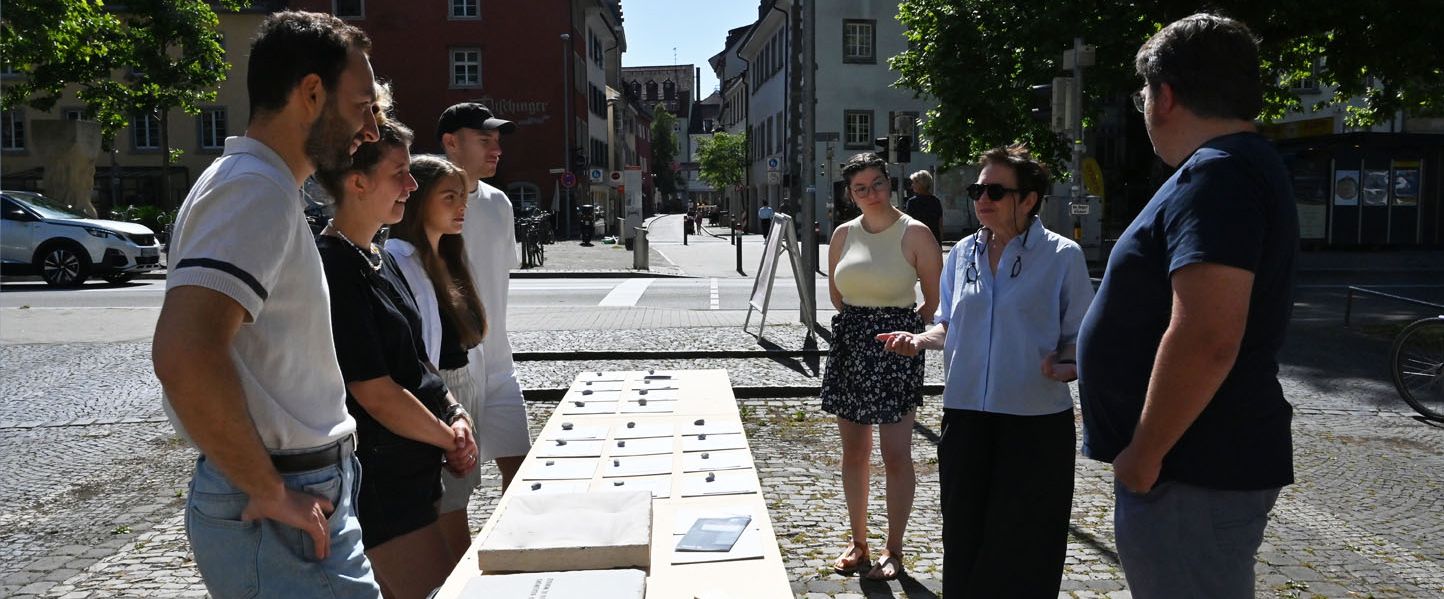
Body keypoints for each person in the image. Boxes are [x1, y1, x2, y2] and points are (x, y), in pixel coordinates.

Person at [152, 11, 382, 597]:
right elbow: (184, 351)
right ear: (311, 93)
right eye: (361, 106)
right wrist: (268, 489)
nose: (372, 129)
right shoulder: (252, 189)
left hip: (301, 487)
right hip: (282, 497)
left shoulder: (259, 184)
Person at [1077, 14, 1298, 598]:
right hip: (1192, 468)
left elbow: (1208, 336)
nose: (1142, 105)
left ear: (1165, 95)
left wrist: (1144, 455)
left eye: (1143, 92)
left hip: (1189, 470)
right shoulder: (1230, 168)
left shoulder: (1218, 175)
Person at [878, 145, 1093, 596]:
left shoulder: (1061, 255)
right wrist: (918, 341)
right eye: (979, 189)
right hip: (966, 419)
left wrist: (1071, 364)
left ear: (1029, 199)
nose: (982, 199)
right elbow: (949, 327)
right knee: (964, 535)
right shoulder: (961, 256)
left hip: (1033, 423)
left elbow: (1081, 337)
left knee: (1026, 542)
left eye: (996, 190)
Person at [314, 119, 478, 597]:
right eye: (399, 173)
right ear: (357, 182)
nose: (411, 186)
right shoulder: (335, 267)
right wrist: (449, 436)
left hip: (411, 472)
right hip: (383, 482)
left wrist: (454, 411)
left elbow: (418, 362)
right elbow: (375, 390)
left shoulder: (375, 257)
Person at [820, 152, 942, 581]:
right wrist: (862, 318)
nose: (870, 193)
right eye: (860, 188)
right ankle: (858, 543)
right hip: (852, 342)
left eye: (876, 184)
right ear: (850, 195)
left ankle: (894, 549)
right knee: (854, 452)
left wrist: (903, 329)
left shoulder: (916, 234)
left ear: (890, 184)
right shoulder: (841, 234)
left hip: (896, 348)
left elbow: (934, 300)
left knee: (895, 454)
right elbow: (837, 294)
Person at [384, 153, 490, 565]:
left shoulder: (447, 256)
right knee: (444, 520)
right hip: (436, 396)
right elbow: (415, 352)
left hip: (458, 391)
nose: (460, 206)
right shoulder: (400, 258)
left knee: (453, 509)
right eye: (449, 197)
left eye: (462, 196)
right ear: (419, 199)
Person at [437, 102, 531, 491]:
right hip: (450, 369)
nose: (496, 149)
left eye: (497, 141)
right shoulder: (423, 205)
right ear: (451, 143)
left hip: (498, 364)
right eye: (483, 140)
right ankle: (463, 556)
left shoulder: (500, 203)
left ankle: (514, 551)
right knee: (457, 493)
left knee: (522, 474)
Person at [904, 170, 943, 245]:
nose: (912, 185)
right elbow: (940, 225)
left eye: (914, 182)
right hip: (934, 241)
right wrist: (939, 243)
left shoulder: (912, 202)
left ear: (922, 183)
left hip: (917, 241)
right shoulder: (936, 201)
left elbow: (908, 224)